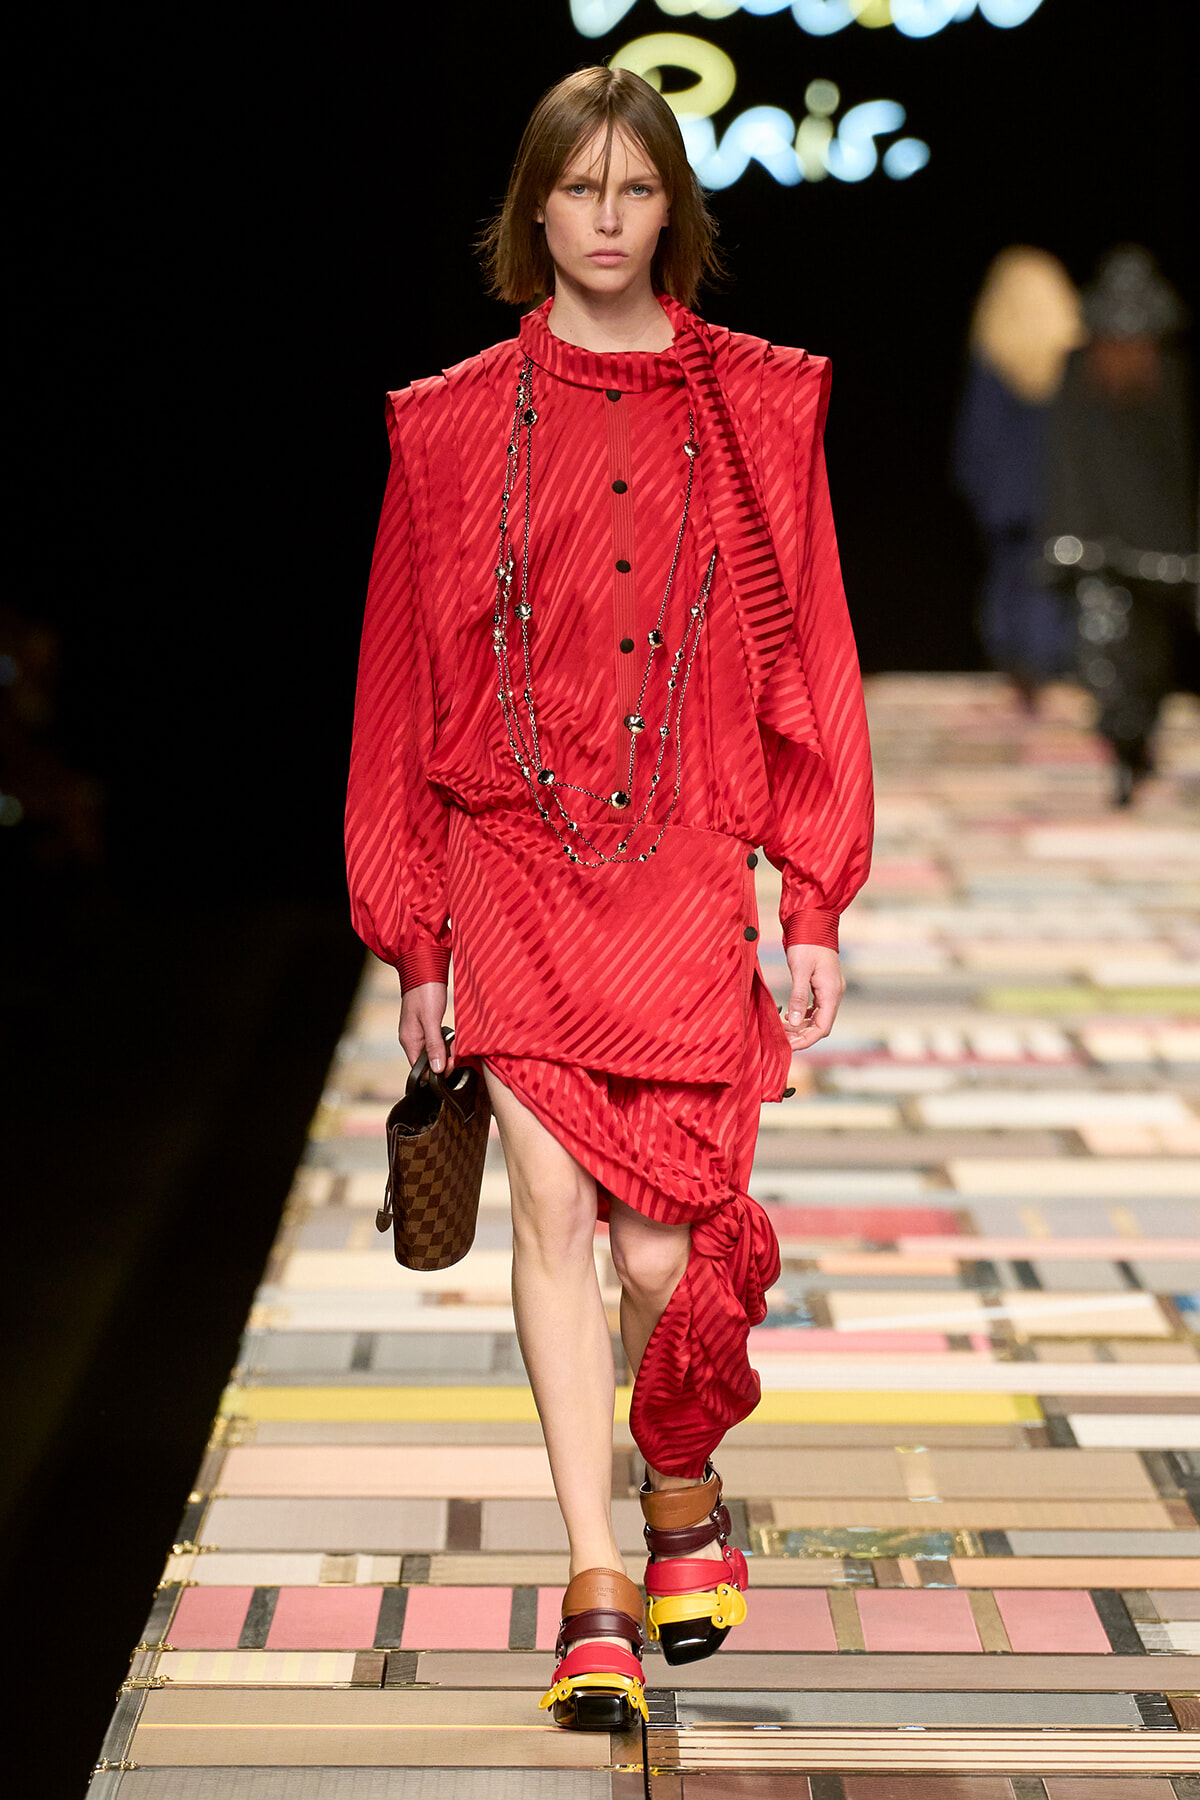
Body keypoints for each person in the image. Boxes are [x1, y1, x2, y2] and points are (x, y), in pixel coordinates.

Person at [345, 65, 873, 1731]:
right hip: (511, 853)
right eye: (576, 190)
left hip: (680, 865)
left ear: (673, 215)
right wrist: (414, 934)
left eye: (636, 191)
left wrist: (813, 901)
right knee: (554, 1222)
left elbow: (816, 666)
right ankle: (592, 1584)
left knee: (664, 1251)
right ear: (534, 209)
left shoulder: (760, 411)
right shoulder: (445, 427)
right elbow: (398, 689)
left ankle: (681, 1478)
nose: (605, 220)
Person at [1043, 246, 1197, 805]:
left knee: (1151, 663)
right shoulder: (1079, 374)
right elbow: (1065, 458)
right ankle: (1121, 749)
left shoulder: (1171, 379)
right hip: (1098, 545)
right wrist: (1068, 534)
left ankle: (1137, 745)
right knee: (1105, 656)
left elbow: (1181, 466)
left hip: (1161, 546)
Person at [953, 246, 1085, 707]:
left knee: (1017, 585)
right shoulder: (1075, 367)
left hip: (1009, 505)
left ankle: (1026, 686)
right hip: (1060, 506)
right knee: (1055, 590)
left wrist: (983, 494)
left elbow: (975, 446)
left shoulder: (994, 364)